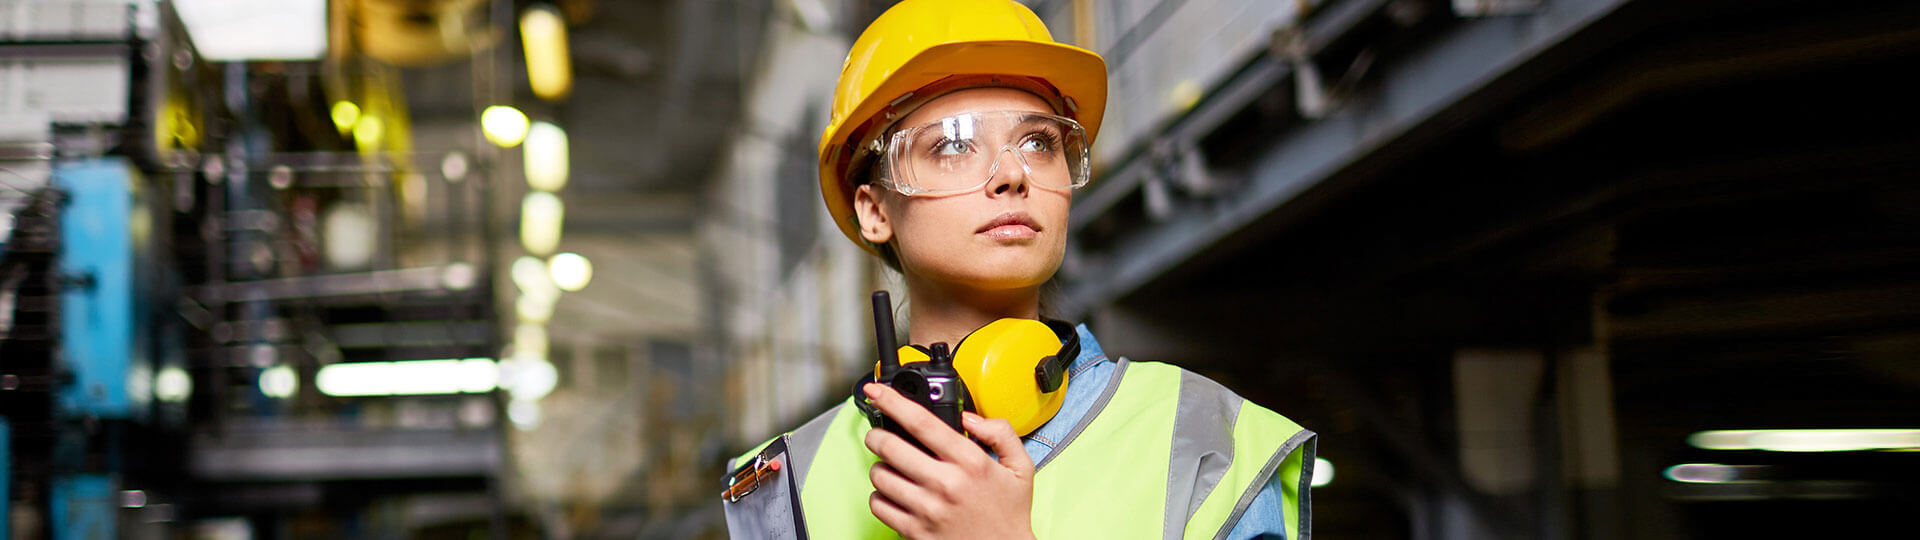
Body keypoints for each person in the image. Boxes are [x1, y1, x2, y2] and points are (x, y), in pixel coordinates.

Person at [721, 1, 1316, 538]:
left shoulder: (1208, 441)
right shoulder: (787, 486)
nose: (1013, 174)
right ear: (876, 210)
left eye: (1039, 143)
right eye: (952, 144)